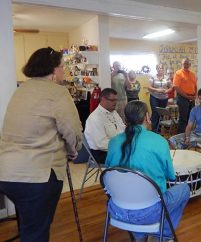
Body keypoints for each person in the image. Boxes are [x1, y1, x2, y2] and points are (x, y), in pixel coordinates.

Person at [0, 47, 83, 241]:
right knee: (36, 232)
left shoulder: (20, 90)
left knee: (30, 225)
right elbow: (72, 131)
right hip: (37, 175)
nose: (64, 71)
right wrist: (73, 151)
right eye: (62, 67)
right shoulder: (58, 92)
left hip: (6, 172)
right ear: (54, 71)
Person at [105, 101, 190, 242]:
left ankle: (139, 236)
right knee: (184, 189)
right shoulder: (159, 141)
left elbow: (108, 175)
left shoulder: (113, 142)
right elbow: (170, 176)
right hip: (149, 211)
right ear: (146, 117)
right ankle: (163, 236)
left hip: (117, 209)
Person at [169, 88, 201, 183]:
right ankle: (184, 166)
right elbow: (189, 125)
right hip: (195, 134)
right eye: (200, 98)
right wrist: (187, 137)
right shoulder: (194, 109)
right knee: (172, 140)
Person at [84, 88, 125, 164]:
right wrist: (122, 145)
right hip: (101, 153)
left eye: (116, 100)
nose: (115, 102)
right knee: (132, 157)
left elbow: (123, 128)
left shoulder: (113, 112)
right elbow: (101, 144)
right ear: (103, 99)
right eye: (112, 100)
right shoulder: (95, 118)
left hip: (115, 147)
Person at [173, 58, 197, 133]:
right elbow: (176, 87)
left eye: (188, 64)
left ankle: (187, 134)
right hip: (183, 98)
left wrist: (195, 96)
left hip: (192, 98)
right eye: (184, 63)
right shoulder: (178, 73)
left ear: (190, 65)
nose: (186, 65)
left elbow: (195, 86)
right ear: (182, 64)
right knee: (183, 119)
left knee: (191, 118)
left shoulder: (193, 74)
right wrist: (187, 97)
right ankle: (180, 137)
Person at [148, 64, 172, 132]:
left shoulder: (167, 78)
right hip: (154, 97)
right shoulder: (153, 77)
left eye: (161, 68)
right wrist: (157, 90)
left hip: (164, 98)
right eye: (158, 68)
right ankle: (154, 131)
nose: (160, 69)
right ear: (156, 69)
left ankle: (159, 129)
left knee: (161, 114)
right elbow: (149, 87)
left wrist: (167, 91)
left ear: (163, 69)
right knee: (155, 113)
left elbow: (171, 87)